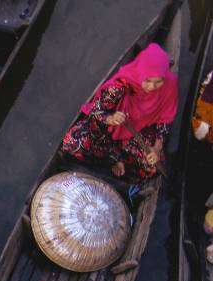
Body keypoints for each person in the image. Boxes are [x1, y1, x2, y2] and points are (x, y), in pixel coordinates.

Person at [61, 41, 178, 182]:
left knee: (151, 166)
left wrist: (157, 148)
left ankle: (120, 161)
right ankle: (114, 160)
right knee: (72, 143)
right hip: (109, 130)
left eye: (158, 81)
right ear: (141, 72)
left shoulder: (170, 84)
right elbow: (97, 111)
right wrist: (111, 118)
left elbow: (165, 119)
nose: (152, 87)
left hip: (137, 131)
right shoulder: (120, 85)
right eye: (147, 80)